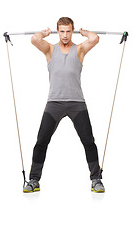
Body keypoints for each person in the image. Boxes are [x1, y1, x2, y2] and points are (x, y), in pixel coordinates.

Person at [23, 17, 105, 193]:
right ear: (57, 31)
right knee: (41, 141)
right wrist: (44, 33)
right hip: (54, 102)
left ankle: (96, 179)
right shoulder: (50, 50)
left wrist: (84, 33)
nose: (65, 35)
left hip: (77, 102)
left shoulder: (80, 49)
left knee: (89, 142)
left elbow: (95, 38)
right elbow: (34, 39)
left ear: (72, 30)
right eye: (62, 31)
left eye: (68, 31)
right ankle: (33, 180)